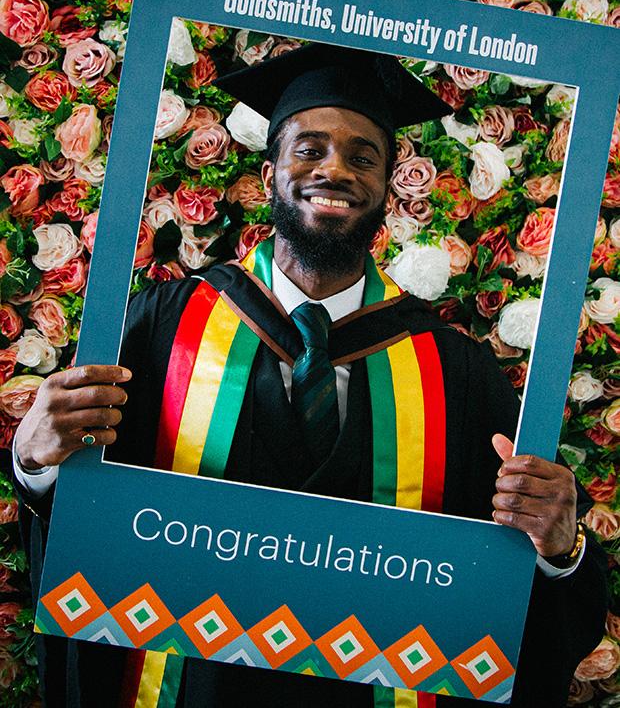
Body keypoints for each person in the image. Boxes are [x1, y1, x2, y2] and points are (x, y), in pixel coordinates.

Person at [14, 44, 606, 708]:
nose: (335, 170)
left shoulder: (455, 370)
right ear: (269, 173)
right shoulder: (163, 326)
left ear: (387, 187)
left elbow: (513, 584)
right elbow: (84, 520)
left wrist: (561, 546)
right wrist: (36, 459)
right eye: (310, 148)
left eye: (363, 156)